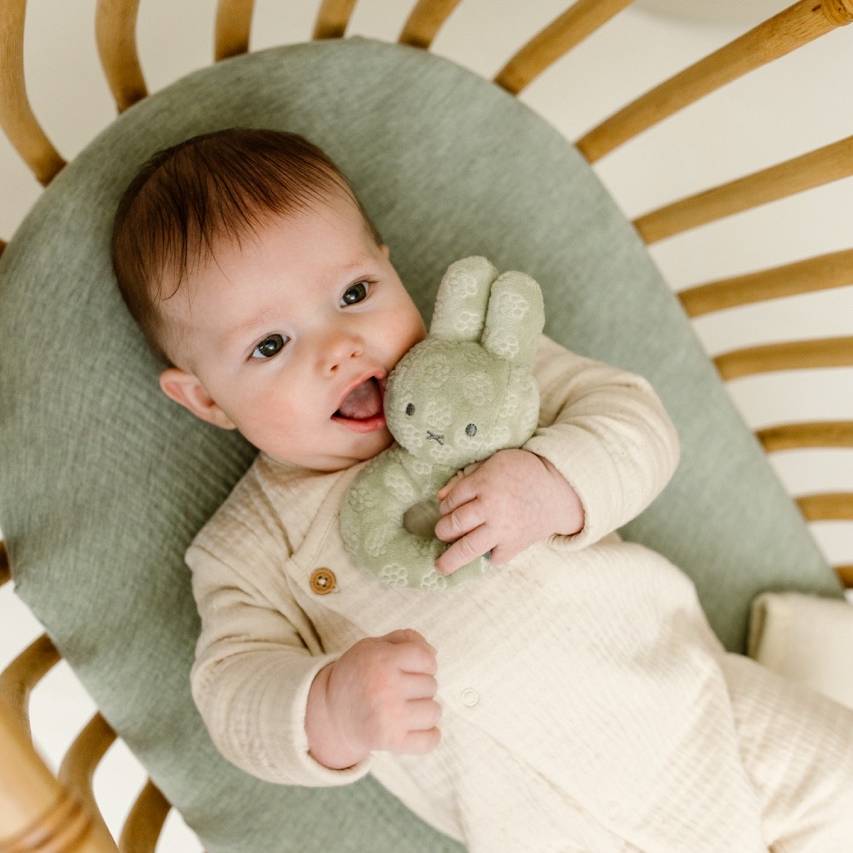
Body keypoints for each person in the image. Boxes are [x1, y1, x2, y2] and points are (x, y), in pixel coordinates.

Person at [111, 127, 853, 852]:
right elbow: (231, 692)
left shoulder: (484, 371)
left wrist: (553, 481)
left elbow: (635, 422)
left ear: (390, 267)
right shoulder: (249, 550)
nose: (340, 346)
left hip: (702, 716)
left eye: (354, 292)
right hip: (537, 829)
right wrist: (329, 705)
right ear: (205, 398)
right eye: (270, 344)